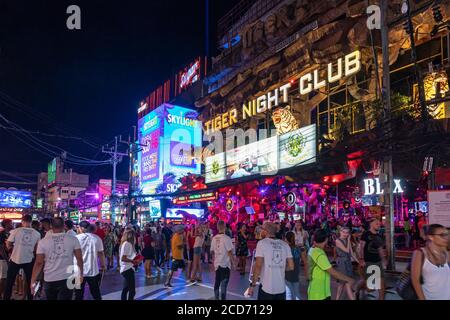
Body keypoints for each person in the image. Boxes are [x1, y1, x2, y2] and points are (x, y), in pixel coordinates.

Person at [30, 217, 83, 300]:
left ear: (51, 226)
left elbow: (39, 263)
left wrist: (33, 281)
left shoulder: (43, 242)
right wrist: (80, 274)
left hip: (49, 278)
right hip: (68, 277)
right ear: (63, 226)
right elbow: (79, 259)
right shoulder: (73, 239)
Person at [246, 222, 294, 300]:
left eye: (262, 230)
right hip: (281, 288)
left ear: (266, 231)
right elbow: (291, 266)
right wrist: (280, 268)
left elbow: (258, 266)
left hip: (266, 288)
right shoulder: (285, 245)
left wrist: (252, 286)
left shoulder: (262, 243)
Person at [308, 229, 355, 300]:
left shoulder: (312, 249)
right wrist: (349, 279)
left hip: (317, 289)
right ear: (326, 240)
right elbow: (333, 272)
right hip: (319, 293)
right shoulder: (319, 254)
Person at [3, 215, 41, 300]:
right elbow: (36, 249)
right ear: (31, 222)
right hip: (29, 260)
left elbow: (8, 244)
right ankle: (30, 298)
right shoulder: (37, 234)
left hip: (15, 259)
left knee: (9, 283)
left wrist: (12, 247)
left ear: (22, 221)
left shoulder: (15, 231)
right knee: (30, 282)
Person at [411, 224, 450, 300]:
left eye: (447, 234)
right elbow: (415, 280)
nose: (446, 238)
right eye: (442, 235)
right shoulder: (420, 253)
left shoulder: (446, 253)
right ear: (430, 237)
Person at [74, 221, 106, 300]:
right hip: (93, 271)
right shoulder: (97, 238)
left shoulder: (76, 238)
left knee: (78, 293)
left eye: (78, 227)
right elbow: (101, 253)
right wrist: (103, 265)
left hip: (78, 271)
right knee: (95, 292)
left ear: (82, 228)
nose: (77, 229)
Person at [359, 218, 386, 300]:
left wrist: (383, 260)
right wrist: (361, 259)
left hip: (378, 262)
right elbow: (361, 247)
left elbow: (380, 249)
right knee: (370, 288)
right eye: (377, 223)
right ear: (371, 224)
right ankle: (358, 288)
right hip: (368, 262)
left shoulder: (379, 236)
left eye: (379, 224)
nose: (379, 225)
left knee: (381, 284)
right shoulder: (365, 234)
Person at [211, 220, 234, 300]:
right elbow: (230, 252)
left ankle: (216, 298)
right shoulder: (227, 238)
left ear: (217, 227)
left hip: (217, 264)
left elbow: (212, 251)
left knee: (217, 282)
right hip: (225, 264)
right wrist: (234, 263)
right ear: (225, 227)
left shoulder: (214, 238)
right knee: (224, 284)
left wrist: (214, 261)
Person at [334, 226, 358, 300]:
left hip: (348, 262)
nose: (345, 234)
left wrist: (358, 261)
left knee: (343, 282)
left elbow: (351, 253)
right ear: (340, 232)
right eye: (343, 232)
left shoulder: (347, 240)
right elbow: (346, 250)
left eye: (347, 232)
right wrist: (348, 240)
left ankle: (337, 298)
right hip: (341, 262)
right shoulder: (337, 241)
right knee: (345, 281)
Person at [119, 228, 139, 300]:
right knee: (132, 291)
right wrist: (133, 261)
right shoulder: (127, 244)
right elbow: (123, 258)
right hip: (127, 269)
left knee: (126, 288)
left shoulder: (127, 244)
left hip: (127, 268)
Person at [284, 231, 305, 300]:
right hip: (296, 273)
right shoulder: (298, 248)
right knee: (296, 293)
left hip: (287, 273)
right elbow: (304, 260)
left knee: (288, 294)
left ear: (286, 239)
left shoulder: (286, 249)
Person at [0, 219, 13, 299]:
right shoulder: (2, 234)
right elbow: (1, 249)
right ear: (6, 224)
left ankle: (4, 295)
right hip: (2, 259)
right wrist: (6, 259)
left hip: (7, 258)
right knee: (3, 278)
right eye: (10, 223)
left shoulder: (8, 234)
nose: (12, 225)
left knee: (5, 278)